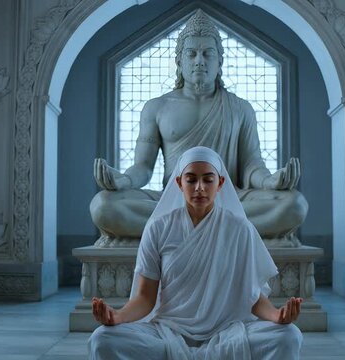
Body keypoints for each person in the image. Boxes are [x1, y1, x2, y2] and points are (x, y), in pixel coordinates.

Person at [90, 10, 308, 245]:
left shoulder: (240, 108)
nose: (199, 61)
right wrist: (123, 180)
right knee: (104, 205)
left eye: (208, 53)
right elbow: (143, 167)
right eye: (191, 53)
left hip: (229, 198)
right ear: (179, 61)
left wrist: (269, 182)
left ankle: (185, 227)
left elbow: (251, 165)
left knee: (294, 204)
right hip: (174, 199)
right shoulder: (157, 107)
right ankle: (218, 227)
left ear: (220, 61)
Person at [87, 146, 304, 359]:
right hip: (168, 332)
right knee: (103, 339)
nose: (199, 187)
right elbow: (145, 297)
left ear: (220, 183)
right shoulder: (159, 227)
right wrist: (118, 316)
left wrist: (278, 316)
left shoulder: (240, 229)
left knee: (289, 336)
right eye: (191, 179)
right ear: (179, 183)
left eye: (208, 179)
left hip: (226, 332)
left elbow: (251, 296)